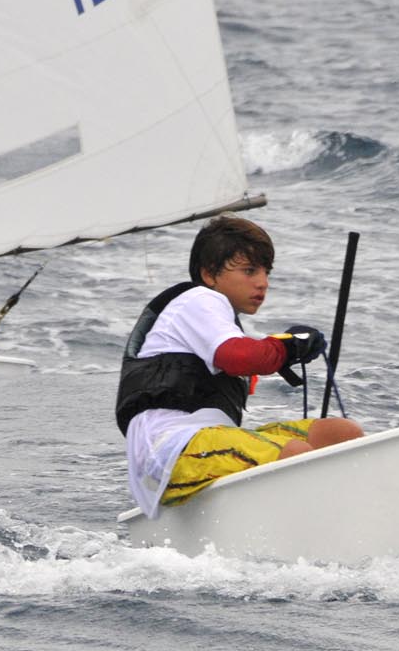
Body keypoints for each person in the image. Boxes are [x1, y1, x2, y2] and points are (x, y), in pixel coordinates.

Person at [116, 215, 364, 519]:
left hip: (206, 442)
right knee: (296, 456)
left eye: (266, 271)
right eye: (249, 271)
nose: (263, 282)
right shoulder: (198, 300)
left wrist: (285, 346)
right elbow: (241, 357)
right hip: (169, 450)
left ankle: (349, 521)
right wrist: (286, 346)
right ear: (209, 275)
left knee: (341, 434)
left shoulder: (217, 321)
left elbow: (248, 353)